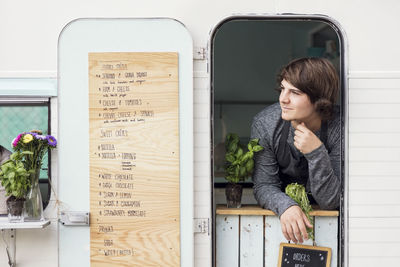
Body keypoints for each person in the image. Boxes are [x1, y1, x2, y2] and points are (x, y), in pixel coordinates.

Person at [251, 57, 340, 244]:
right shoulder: (265, 124)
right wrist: (286, 206)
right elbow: (264, 185)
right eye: (283, 89)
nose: (283, 98)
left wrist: (316, 152)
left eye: (295, 92)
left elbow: (331, 201)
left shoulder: (339, 127)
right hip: (282, 228)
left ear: (319, 99)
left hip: (331, 231)